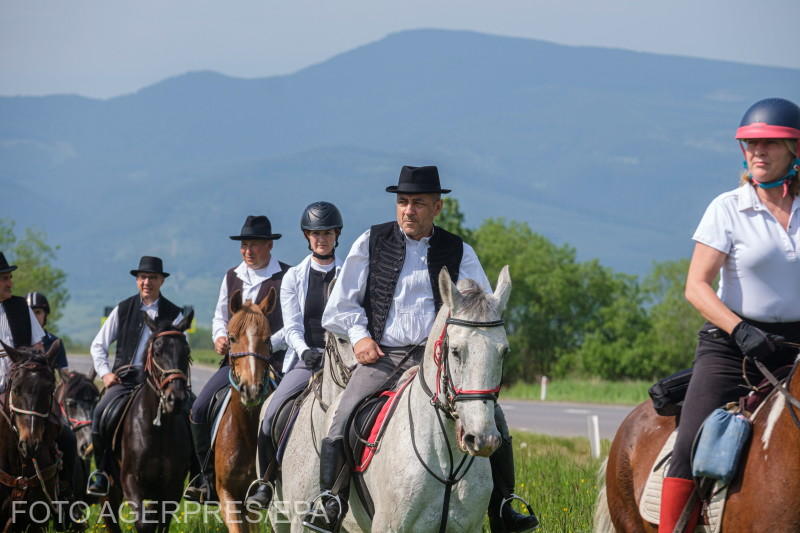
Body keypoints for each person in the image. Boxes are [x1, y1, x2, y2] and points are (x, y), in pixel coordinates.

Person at [303, 166, 539, 533]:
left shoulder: (459, 250)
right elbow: (339, 306)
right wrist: (360, 336)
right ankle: (330, 501)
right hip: (384, 356)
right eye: (402, 202)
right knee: (343, 413)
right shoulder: (371, 241)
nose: (408, 210)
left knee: (496, 422)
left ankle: (504, 505)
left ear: (437, 207)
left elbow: (481, 310)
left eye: (417, 203)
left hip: (441, 360)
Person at [660, 97, 800, 533]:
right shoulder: (727, 209)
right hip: (733, 347)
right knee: (689, 444)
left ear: (795, 148)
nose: (757, 151)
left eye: (769, 144)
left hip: (796, 347)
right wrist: (740, 329)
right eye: (750, 144)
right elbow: (696, 286)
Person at [247, 202, 345, 508]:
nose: (321, 239)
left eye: (327, 233)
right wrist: (306, 353)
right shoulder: (294, 277)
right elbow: (291, 327)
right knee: (272, 412)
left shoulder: (351, 273)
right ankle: (265, 480)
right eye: (315, 233)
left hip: (343, 362)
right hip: (307, 359)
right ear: (307, 236)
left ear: (336, 234)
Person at [185, 215, 289, 503]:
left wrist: (260, 346)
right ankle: (204, 478)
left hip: (275, 362)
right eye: (244, 245)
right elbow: (220, 316)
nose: (248, 251)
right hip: (235, 362)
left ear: (269, 245)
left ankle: (284, 475)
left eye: (254, 245)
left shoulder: (286, 277)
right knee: (199, 408)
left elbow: (292, 323)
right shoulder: (232, 276)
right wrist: (219, 337)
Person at [86, 256, 187, 496]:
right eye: (142, 277)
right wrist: (106, 374)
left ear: (162, 281)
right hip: (125, 380)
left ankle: (197, 475)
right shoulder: (123, 309)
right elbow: (97, 345)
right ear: (136, 281)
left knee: (191, 415)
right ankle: (100, 472)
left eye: (152, 277)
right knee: (101, 412)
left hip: (164, 383)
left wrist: (177, 378)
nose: (147, 282)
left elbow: (184, 350)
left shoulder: (175, 314)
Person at [0, 252, 45, 391]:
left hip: (20, 387)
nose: (10, 283)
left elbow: (38, 348)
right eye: (5, 279)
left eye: (10, 278)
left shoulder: (21, 306)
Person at [26, 291, 69, 377]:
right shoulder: (14, 340)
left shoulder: (55, 342)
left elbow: (64, 376)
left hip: (47, 387)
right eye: (29, 312)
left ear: (45, 315)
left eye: (37, 312)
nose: (33, 317)